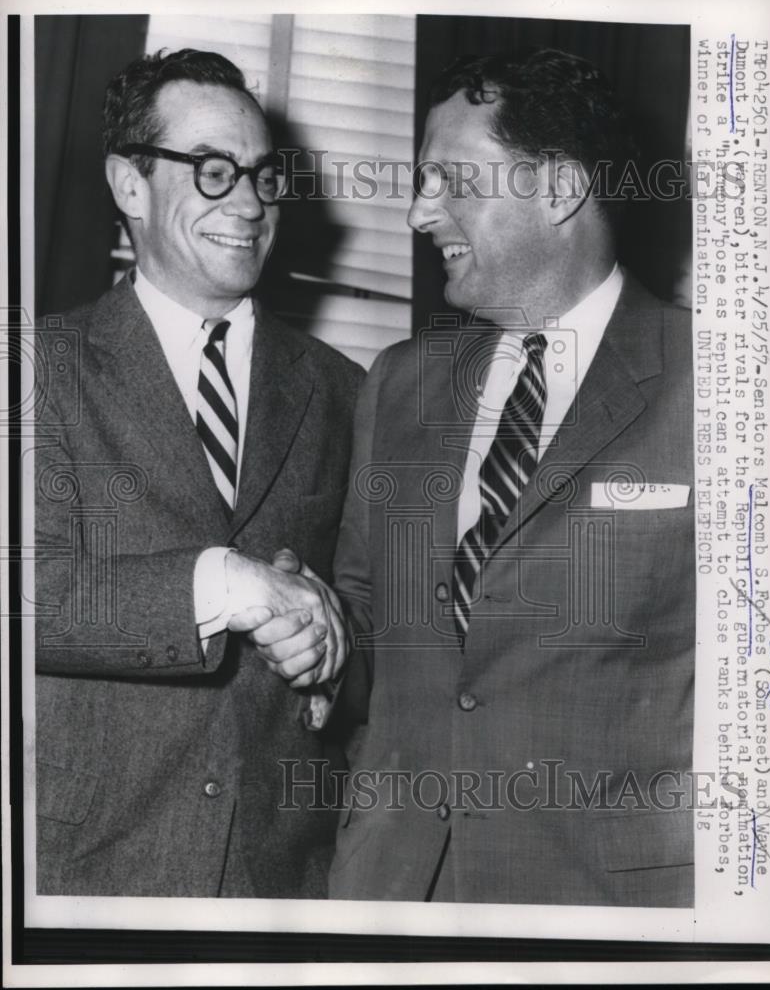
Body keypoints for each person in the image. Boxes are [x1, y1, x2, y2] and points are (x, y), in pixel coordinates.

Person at [275, 49, 695, 905]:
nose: (417, 212)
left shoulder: (724, 383)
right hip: (396, 894)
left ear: (558, 189)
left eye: (447, 180)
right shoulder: (399, 385)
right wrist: (318, 636)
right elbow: (371, 633)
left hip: (606, 914)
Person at [34, 48, 363, 898]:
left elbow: (396, 624)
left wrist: (338, 648)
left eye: (262, 174)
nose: (250, 204)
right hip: (87, 873)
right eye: (213, 172)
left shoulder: (346, 390)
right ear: (130, 185)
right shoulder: (34, 369)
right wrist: (224, 584)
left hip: (285, 881)